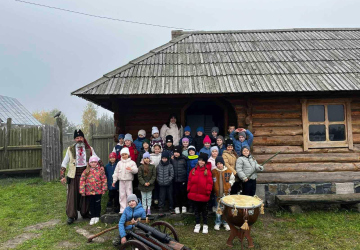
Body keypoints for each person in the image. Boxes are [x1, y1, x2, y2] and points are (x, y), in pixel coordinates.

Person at [60, 129, 99, 224]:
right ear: (74, 139)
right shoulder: (70, 149)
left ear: (83, 138)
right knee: (72, 196)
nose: (79, 139)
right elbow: (64, 162)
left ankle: (85, 212)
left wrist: (102, 169)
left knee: (85, 194)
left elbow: (97, 159)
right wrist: (62, 176)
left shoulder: (89, 148)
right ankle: (71, 216)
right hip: (74, 175)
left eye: (81, 137)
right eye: (77, 138)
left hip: (86, 174)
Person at [187, 153, 213, 234]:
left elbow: (210, 183)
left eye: (203, 161)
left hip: (204, 195)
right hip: (194, 195)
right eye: (200, 160)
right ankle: (197, 224)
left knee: (204, 211)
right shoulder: (193, 170)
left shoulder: (207, 172)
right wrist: (189, 189)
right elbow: (190, 181)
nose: (201, 162)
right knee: (196, 210)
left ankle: (205, 225)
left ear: (205, 162)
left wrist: (208, 191)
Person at [79, 156, 107, 225]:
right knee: (91, 204)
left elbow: (104, 180)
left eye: (95, 162)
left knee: (97, 204)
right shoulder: (86, 171)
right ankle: (93, 216)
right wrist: (82, 191)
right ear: (89, 163)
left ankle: (97, 216)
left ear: (97, 163)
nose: (93, 163)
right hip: (89, 191)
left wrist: (104, 189)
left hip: (98, 191)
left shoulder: (100, 171)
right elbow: (82, 180)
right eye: (92, 162)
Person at [112, 147, 138, 213]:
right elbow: (116, 172)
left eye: (125, 154)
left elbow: (136, 170)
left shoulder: (132, 162)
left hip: (129, 180)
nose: (124, 156)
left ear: (128, 154)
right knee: (122, 195)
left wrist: (131, 169)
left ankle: (130, 208)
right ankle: (123, 209)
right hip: (121, 181)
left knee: (129, 194)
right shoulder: (119, 163)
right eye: (122, 155)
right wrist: (114, 180)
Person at [212, 156, 235, 231]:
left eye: (220, 163)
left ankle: (225, 222)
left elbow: (232, 179)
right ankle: (218, 222)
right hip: (217, 194)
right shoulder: (214, 172)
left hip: (226, 194)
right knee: (218, 209)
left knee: (226, 209)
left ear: (223, 164)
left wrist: (230, 184)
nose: (219, 165)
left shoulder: (228, 171)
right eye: (217, 164)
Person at [171, 146, 188, 214]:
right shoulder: (172, 160)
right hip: (175, 180)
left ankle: (184, 206)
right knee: (176, 194)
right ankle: (177, 206)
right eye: (175, 152)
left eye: (177, 152)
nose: (176, 154)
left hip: (182, 179)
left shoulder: (184, 159)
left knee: (183, 193)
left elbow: (186, 168)